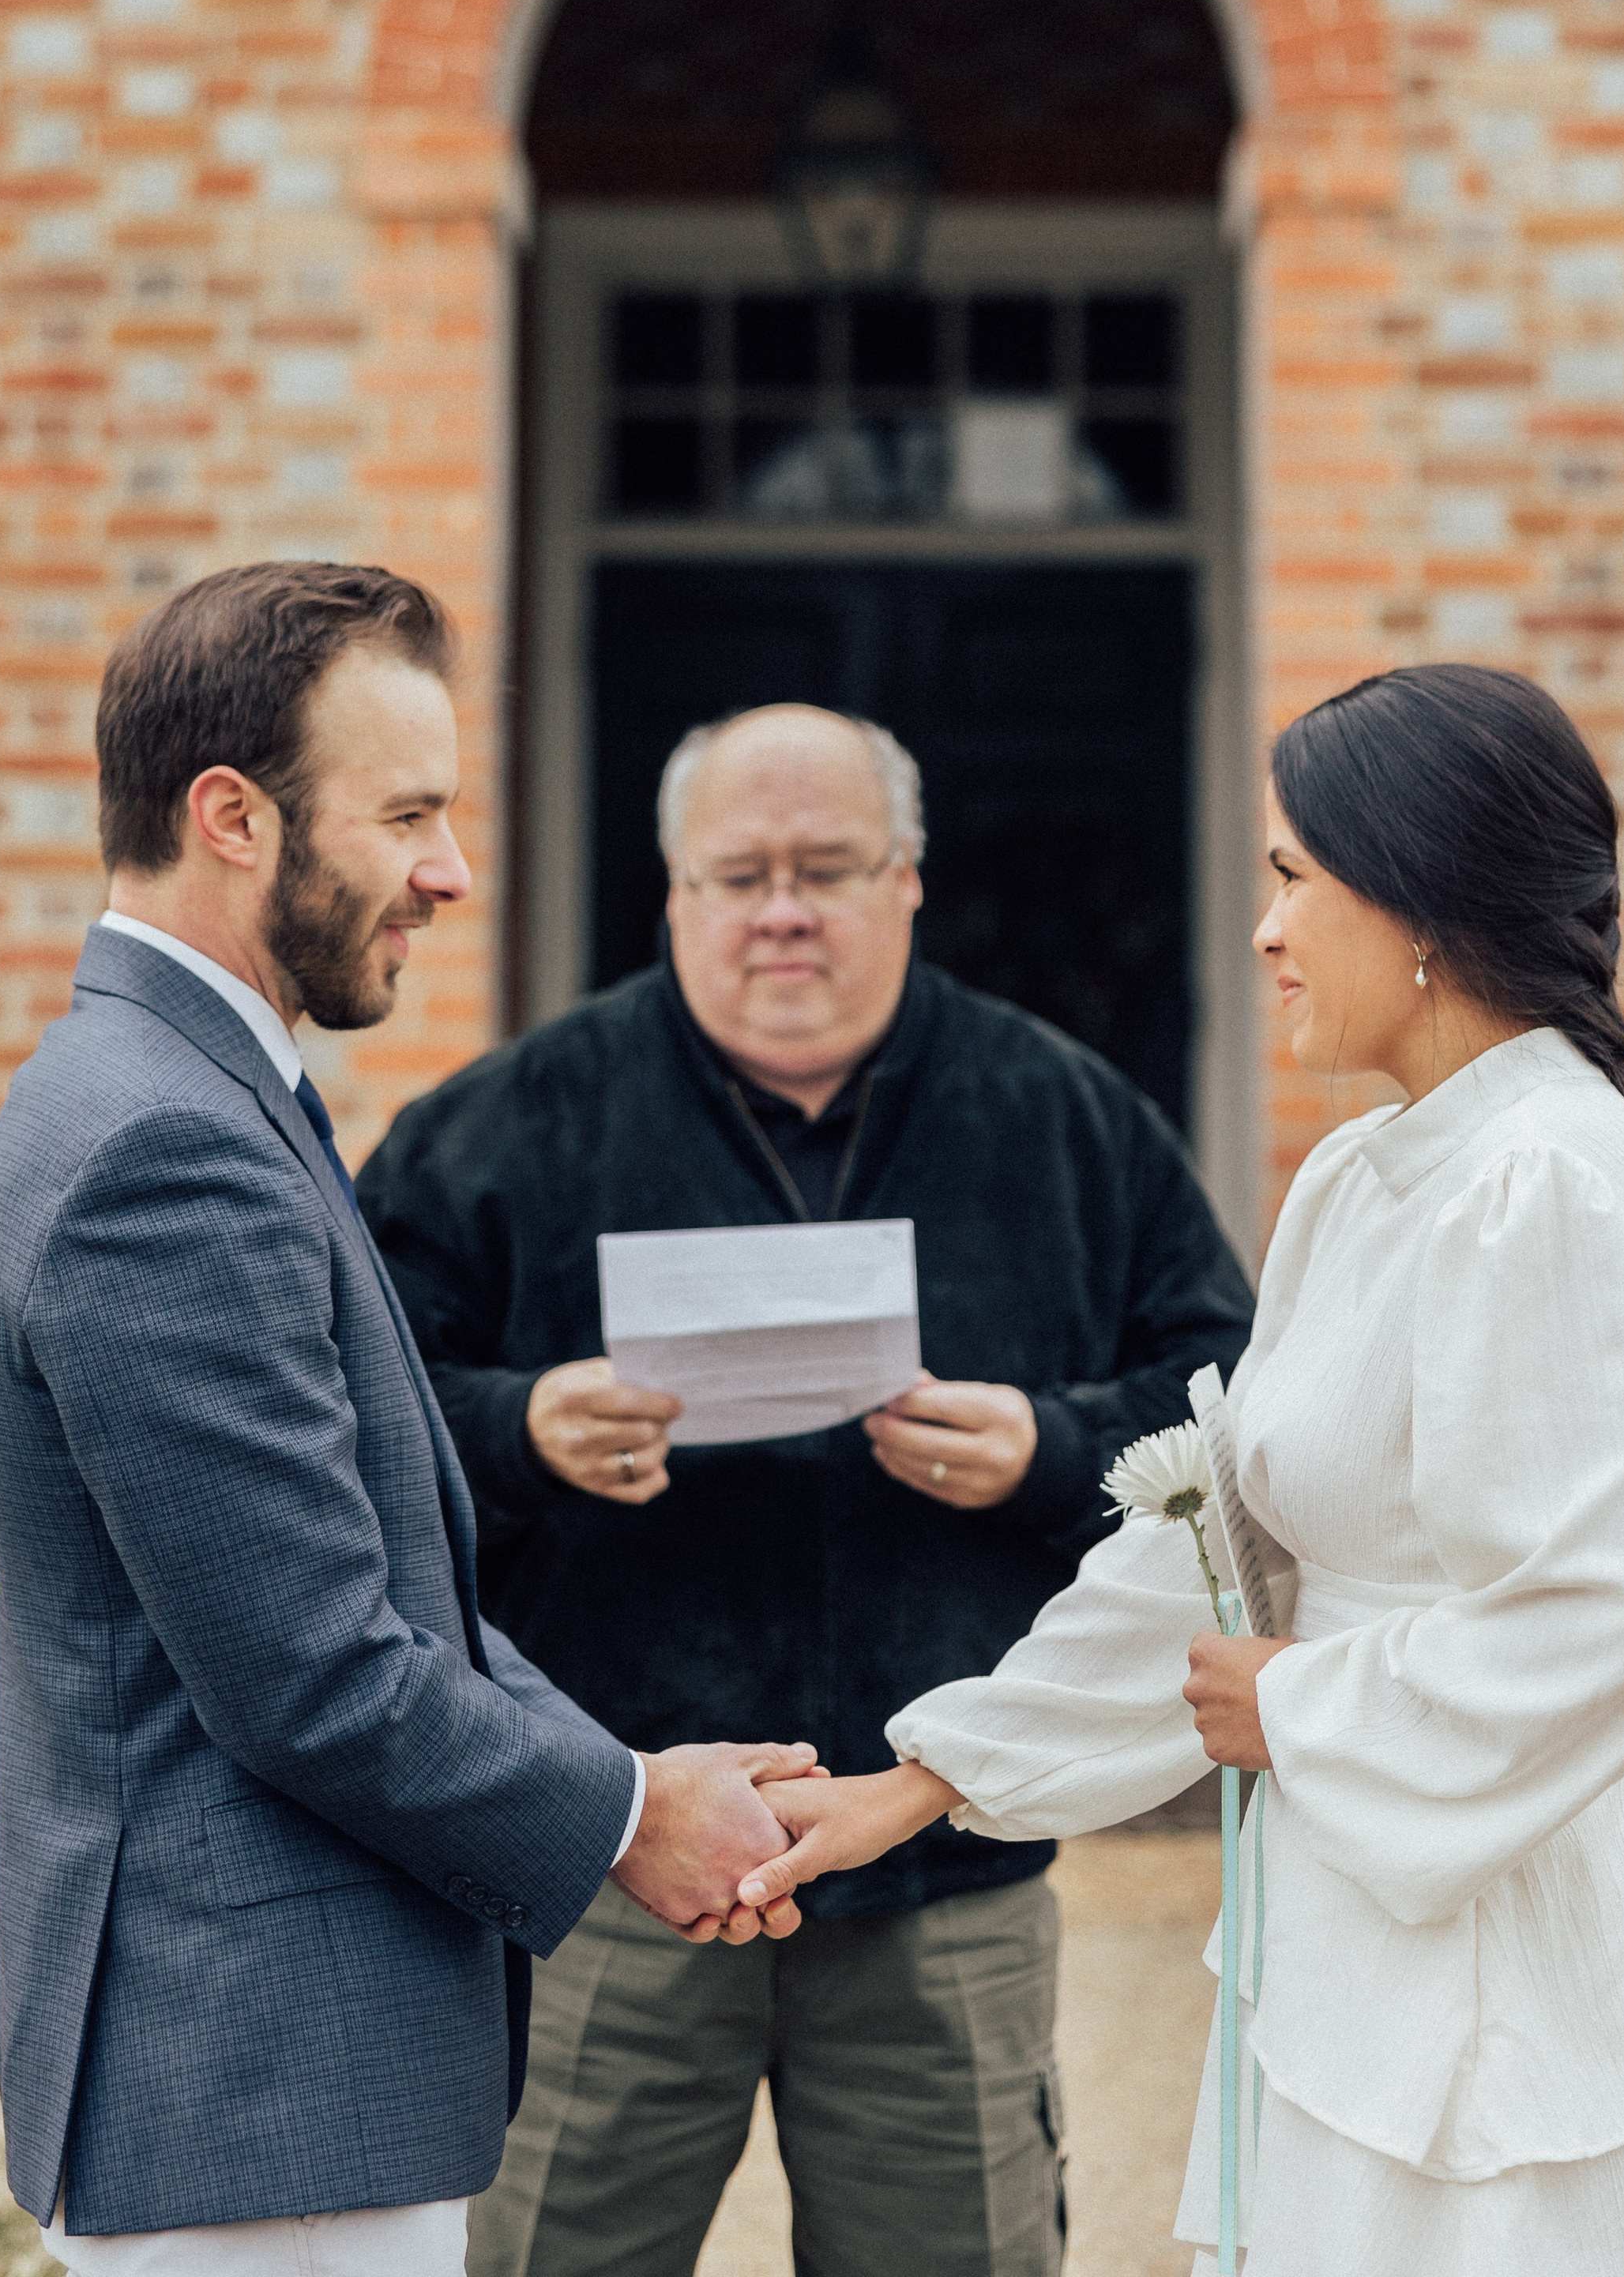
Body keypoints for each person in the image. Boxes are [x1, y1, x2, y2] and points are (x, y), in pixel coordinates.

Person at [737, 663, 1624, 2277]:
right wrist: (926, 1781)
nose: (1262, 933)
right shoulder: (1360, 1175)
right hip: (1337, 1930)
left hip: (1492, 1998)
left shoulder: (1546, 1182)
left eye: (1291, 878)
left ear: (1417, 898)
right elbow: (1219, 1536)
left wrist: (1293, 1708)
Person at [0, 565, 813, 2275]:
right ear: (233, 820)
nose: (450, 871)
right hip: (255, 2096)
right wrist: (635, 1811)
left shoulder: (180, 1091)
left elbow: (383, 1589)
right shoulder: (161, 1150)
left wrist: (624, 1777)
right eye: (407, 812)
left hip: (271, 2080)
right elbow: (314, 1674)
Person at [359, 700, 1255, 2277]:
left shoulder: (1061, 1119)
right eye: (740, 873)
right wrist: (517, 1429)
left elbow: (1230, 1410)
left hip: (939, 1863)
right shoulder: (508, 1126)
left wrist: (1049, 1450)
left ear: (908, 881)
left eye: (827, 868)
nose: (783, 908)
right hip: (608, 1860)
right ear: (672, 898)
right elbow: (345, 1412)